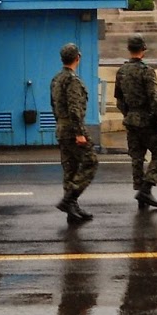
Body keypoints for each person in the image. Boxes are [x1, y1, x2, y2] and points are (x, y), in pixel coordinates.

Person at [114, 34, 157, 210]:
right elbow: (154, 99)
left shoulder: (121, 71)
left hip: (131, 120)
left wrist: (128, 114)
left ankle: (141, 196)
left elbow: (119, 99)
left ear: (129, 49)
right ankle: (146, 189)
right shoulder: (147, 71)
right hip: (147, 121)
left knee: (137, 157)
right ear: (143, 50)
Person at [50, 42, 97, 223]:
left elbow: (53, 105)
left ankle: (72, 209)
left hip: (62, 128)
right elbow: (75, 109)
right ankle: (69, 200)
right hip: (73, 128)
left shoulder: (56, 79)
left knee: (70, 168)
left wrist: (60, 125)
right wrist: (79, 133)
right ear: (77, 58)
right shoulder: (72, 80)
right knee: (91, 162)